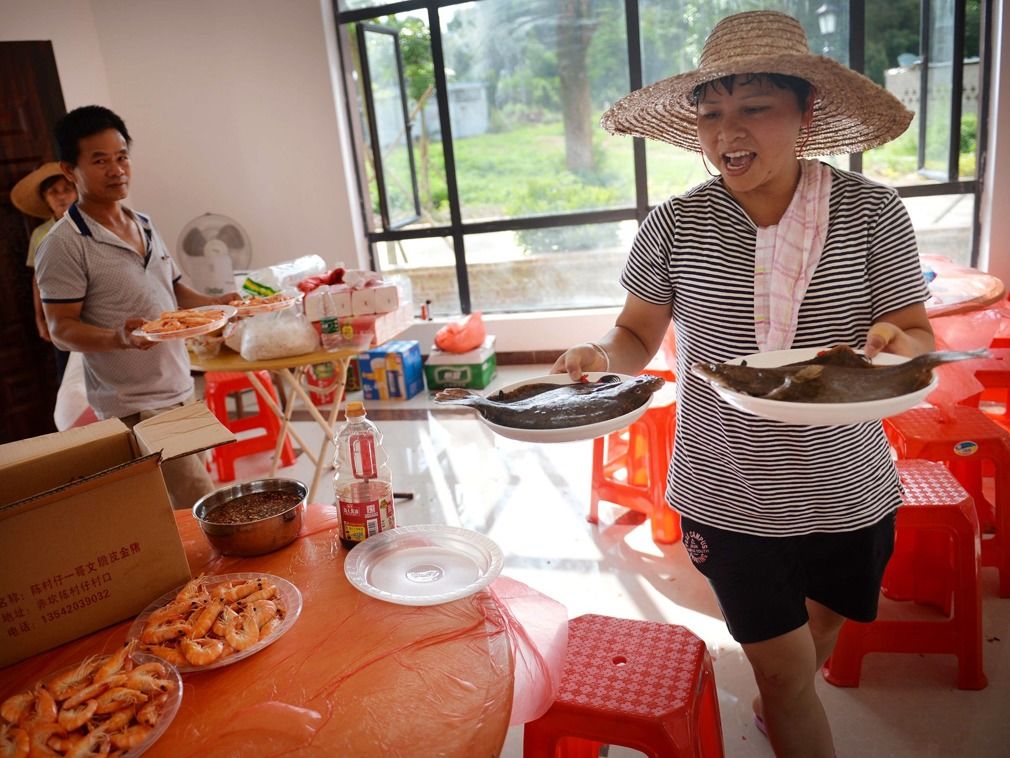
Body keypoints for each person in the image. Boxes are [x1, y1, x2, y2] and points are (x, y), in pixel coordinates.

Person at [552, 11, 932, 758]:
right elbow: (635, 335)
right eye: (711, 112)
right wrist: (599, 353)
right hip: (729, 492)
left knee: (819, 632)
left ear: (806, 112)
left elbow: (915, 333)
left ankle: (779, 695)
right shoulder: (675, 225)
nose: (729, 130)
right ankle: (783, 702)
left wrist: (897, 343)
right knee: (790, 678)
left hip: (847, 488)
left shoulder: (871, 213)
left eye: (755, 107)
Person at [35, 105, 238, 510]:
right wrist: (120, 336)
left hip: (180, 389)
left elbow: (176, 291)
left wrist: (220, 306)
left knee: (187, 508)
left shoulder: (143, 223)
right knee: (206, 504)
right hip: (134, 404)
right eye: (100, 160)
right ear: (69, 168)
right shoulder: (63, 243)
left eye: (122, 157)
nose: (117, 170)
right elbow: (60, 329)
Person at [12, 162, 78, 383]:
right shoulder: (41, 235)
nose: (61, 197)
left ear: (76, 191)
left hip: (94, 313)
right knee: (69, 376)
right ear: (45, 199)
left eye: (66, 189)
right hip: (59, 314)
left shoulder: (94, 225)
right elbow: (37, 280)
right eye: (53, 192)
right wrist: (40, 319)